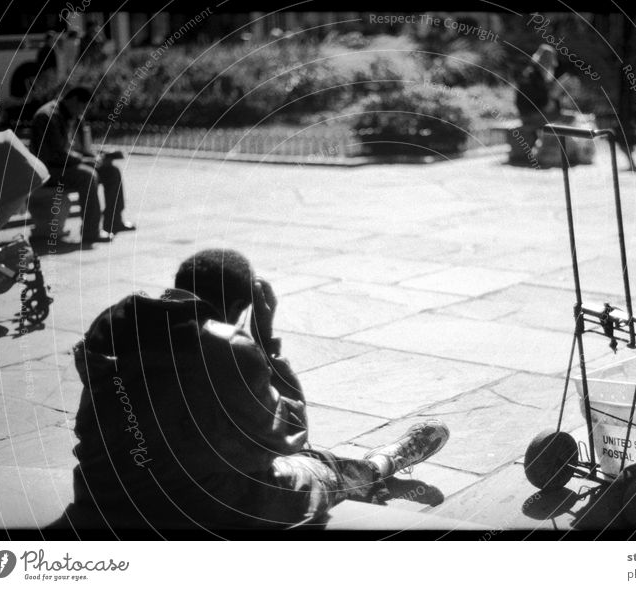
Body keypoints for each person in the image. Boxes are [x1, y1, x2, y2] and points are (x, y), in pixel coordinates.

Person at [53, 249, 450, 530]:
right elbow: (292, 433)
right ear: (243, 306)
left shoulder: (114, 326)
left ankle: (372, 475)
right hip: (200, 512)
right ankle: (381, 467)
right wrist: (264, 339)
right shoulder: (228, 347)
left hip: (103, 493)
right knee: (312, 467)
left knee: (258, 450)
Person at [30, 86, 135, 243]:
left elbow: (81, 148)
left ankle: (114, 220)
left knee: (111, 171)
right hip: (49, 169)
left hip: (68, 164)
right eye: (83, 106)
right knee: (87, 176)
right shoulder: (47, 116)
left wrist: (98, 157)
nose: (83, 111)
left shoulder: (74, 116)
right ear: (73, 101)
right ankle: (91, 231)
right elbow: (55, 154)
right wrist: (85, 160)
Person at [513, 44, 560, 165]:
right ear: (546, 61)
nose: (554, 65)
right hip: (530, 114)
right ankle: (550, 150)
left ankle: (547, 148)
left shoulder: (532, 72)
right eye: (551, 61)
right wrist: (553, 96)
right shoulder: (535, 75)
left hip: (528, 112)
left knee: (559, 114)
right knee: (562, 117)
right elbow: (541, 102)